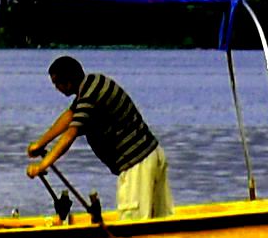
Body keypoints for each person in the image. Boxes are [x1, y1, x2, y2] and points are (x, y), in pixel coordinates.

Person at [32, 52, 172, 222]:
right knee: (159, 218)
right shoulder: (92, 84)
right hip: (151, 154)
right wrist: (40, 143)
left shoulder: (90, 96)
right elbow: (69, 116)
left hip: (136, 162)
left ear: (68, 82)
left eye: (57, 84)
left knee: (133, 220)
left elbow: (70, 135)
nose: (56, 89)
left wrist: (42, 166)